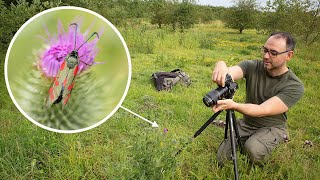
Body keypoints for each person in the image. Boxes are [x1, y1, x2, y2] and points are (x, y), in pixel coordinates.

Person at [211, 32, 304, 165]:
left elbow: (263, 109)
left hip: (272, 128)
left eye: (273, 53)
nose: (266, 56)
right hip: (247, 124)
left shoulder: (294, 85)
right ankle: (248, 140)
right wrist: (221, 65)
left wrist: (234, 105)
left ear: (289, 55)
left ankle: (276, 141)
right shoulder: (252, 66)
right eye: (265, 50)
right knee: (221, 158)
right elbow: (231, 73)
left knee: (253, 150)